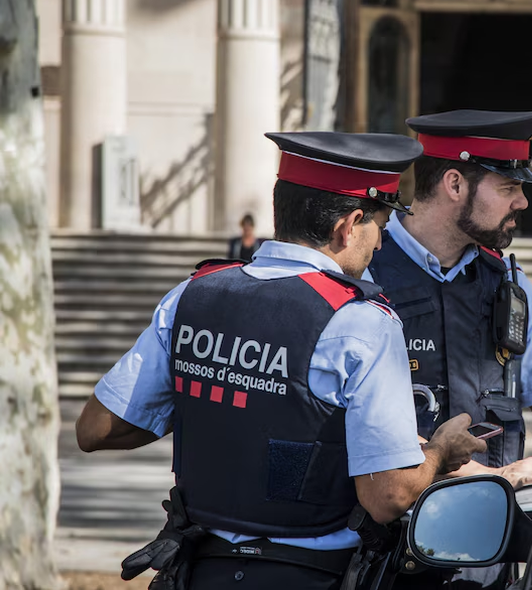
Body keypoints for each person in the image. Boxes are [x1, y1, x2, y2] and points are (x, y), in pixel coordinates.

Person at [75, 131, 487, 590]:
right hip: (310, 575)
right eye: (380, 226)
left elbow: (95, 428)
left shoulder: (194, 294)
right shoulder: (364, 323)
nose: (380, 244)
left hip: (200, 571)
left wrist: (217, 398)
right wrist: (438, 453)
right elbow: (387, 495)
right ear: (348, 226)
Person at [368, 110, 532, 588]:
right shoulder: (365, 276)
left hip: (491, 562)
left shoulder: (509, 285)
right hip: (388, 558)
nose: (523, 202)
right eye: (509, 188)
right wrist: (504, 476)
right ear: (454, 184)